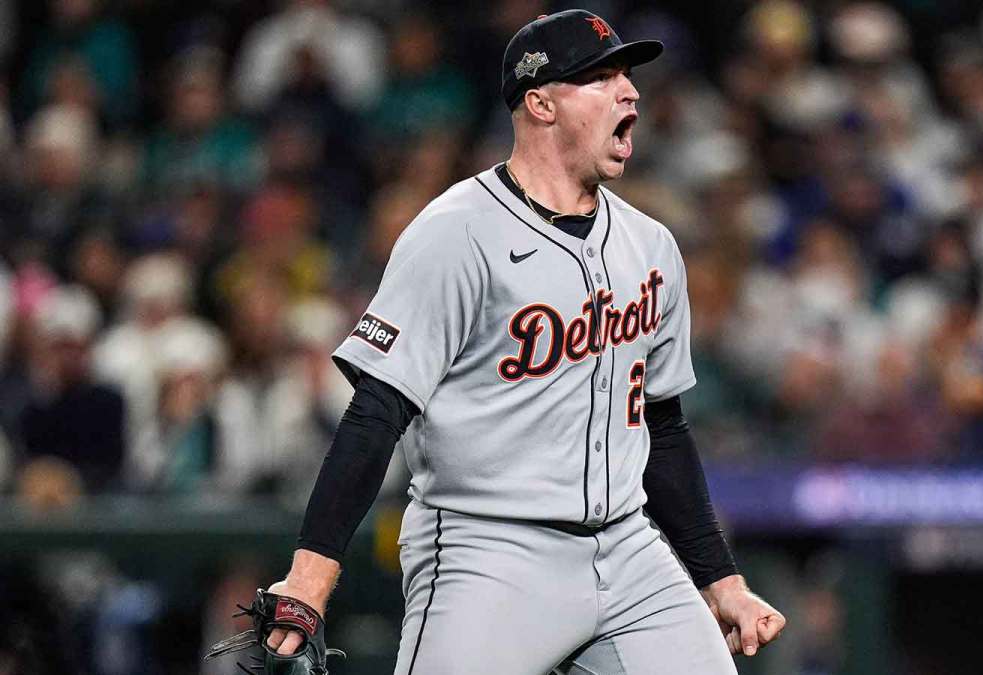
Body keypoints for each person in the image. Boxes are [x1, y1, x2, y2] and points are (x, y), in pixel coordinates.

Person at [261, 10, 785, 673]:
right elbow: (375, 413)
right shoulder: (456, 233)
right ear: (541, 103)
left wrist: (723, 581)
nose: (630, 92)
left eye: (628, 76)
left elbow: (663, 428)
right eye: (601, 78)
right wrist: (311, 575)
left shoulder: (651, 246)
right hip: (488, 554)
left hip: (628, 548)